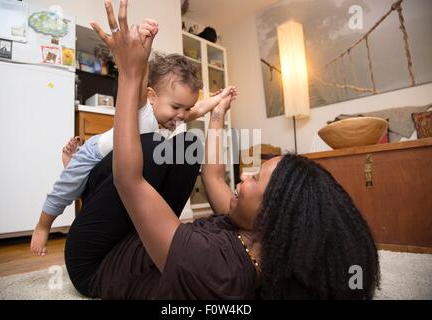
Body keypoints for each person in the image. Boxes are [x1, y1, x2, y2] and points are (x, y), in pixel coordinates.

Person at [64, 0, 380, 300]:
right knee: (187, 145)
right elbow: (213, 177)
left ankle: (84, 179)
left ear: (272, 214)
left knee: (153, 147)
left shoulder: (217, 269)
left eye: (256, 180)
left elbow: (128, 180)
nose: (244, 178)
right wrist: (218, 115)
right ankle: (90, 181)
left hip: (93, 262)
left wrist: (130, 73)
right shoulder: (257, 238)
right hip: (134, 240)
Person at [30, 19, 238, 256]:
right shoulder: (143, 111)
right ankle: (43, 225)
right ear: (151, 96)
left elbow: (199, 109)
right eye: (176, 107)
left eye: (185, 108)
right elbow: (136, 79)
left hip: (117, 166)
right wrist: (144, 49)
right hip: (94, 154)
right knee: (66, 187)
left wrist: (218, 100)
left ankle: (84, 180)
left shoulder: (173, 118)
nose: (182, 115)